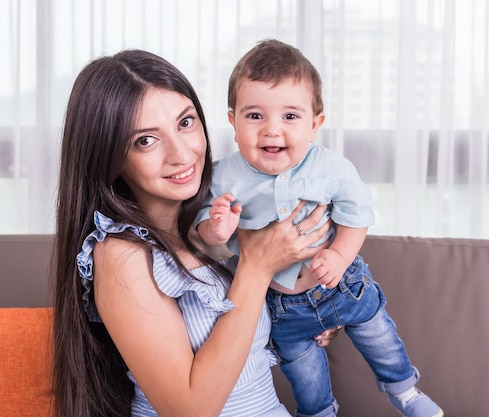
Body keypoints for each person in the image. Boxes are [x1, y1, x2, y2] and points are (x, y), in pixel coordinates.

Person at [52, 49, 339, 417]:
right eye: (145, 140)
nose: (181, 154)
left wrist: (310, 317)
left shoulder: (215, 225)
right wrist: (256, 268)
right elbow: (189, 409)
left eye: (185, 123)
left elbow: (247, 332)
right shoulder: (119, 254)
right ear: (108, 157)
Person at [195, 39, 444, 417]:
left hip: (340, 283)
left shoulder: (333, 168)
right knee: (305, 376)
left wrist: (340, 256)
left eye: (290, 117)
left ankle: (405, 391)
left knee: (379, 336)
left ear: (315, 124)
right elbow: (202, 225)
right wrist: (215, 228)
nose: (272, 131)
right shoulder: (225, 175)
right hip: (280, 306)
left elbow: (356, 216)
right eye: (255, 116)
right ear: (233, 122)